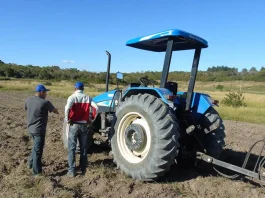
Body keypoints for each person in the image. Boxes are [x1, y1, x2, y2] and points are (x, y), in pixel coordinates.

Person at [65, 81, 98, 177]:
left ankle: (71, 170)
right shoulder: (88, 98)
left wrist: (67, 120)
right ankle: (83, 168)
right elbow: (96, 108)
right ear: (83, 88)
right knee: (83, 148)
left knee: (72, 148)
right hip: (84, 125)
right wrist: (91, 119)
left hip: (74, 125)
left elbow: (67, 108)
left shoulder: (72, 97)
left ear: (75, 88)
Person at [25, 84, 59, 176]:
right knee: (38, 151)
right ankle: (36, 173)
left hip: (30, 128)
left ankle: (30, 164)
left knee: (35, 147)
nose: (46, 94)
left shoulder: (28, 100)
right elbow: (55, 111)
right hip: (39, 130)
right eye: (45, 92)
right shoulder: (45, 102)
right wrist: (57, 110)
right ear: (41, 92)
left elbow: (27, 109)